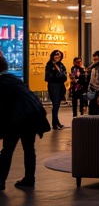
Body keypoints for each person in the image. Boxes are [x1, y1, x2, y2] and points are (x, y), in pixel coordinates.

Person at [0, 54, 50, 190]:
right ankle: (29, 179)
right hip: (32, 116)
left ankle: (0, 180)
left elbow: (3, 108)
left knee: (7, 149)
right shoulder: (14, 80)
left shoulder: (2, 83)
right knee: (28, 148)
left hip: (18, 118)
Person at [44, 50, 67, 130]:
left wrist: (59, 76)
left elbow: (64, 77)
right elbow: (48, 77)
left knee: (57, 105)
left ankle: (56, 122)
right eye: (56, 55)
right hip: (53, 86)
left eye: (59, 56)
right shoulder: (49, 65)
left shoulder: (61, 65)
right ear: (52, 55)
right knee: (55, 105)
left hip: (60, 86)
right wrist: (57, 75)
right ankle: (55, 124)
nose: (57, 57)